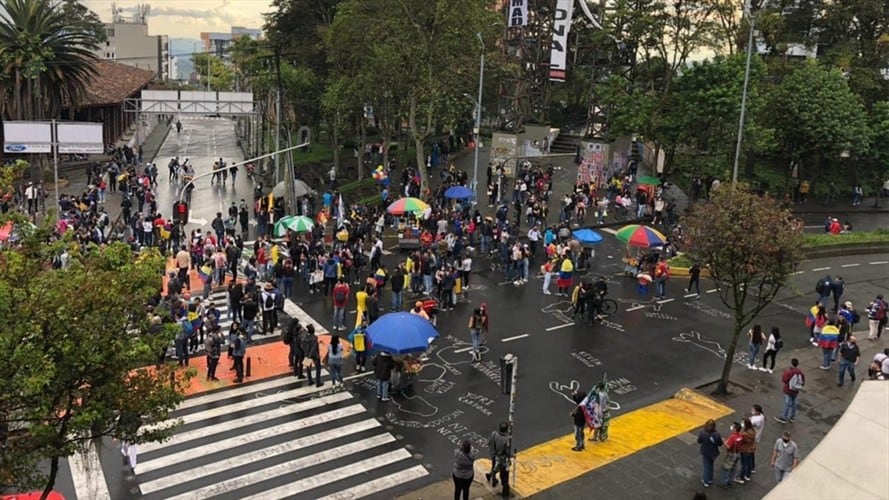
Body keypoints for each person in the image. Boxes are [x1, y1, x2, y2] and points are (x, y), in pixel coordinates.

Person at [775, 358, 805, 424]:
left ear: (791, 364)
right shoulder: (800, 372)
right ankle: (792, 417)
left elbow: (784, 380)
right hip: (796, 390)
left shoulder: (789, 372)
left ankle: (783, 417)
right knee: (794, 403)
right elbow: (803, 381)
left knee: (787, 403)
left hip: (788, 389)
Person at [486, 422, 511, 497]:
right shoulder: (506, 440)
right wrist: (512, 456)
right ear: (506, 430)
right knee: (501, 470)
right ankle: (492, 477)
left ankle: (492, 477)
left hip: (493, 454)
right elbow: (507, 452)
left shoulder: (494, 434)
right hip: (501, 458)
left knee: (494, 465)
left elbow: (488, 442)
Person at [697, 419, 723, 488]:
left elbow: (699, 441)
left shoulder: (702, 433)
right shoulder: (717, 434)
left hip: (705, 452)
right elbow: (720, 443)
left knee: (706, 467)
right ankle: (710, 479)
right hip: (714, 452)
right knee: (711, 465)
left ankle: (705, 481)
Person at [719, 422, 743, 488]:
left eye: (733, 426)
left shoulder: (732, 437)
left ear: (735, 429)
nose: (732, 427)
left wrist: (724, 442)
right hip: (737, 453)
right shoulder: (740, 436)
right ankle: (730, 480)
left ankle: (724, 482)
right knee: (733, 468)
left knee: (725, 468)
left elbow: (728, 446)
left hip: (731, 454)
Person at [738, 418, 756, 483]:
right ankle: (747, 475)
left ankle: (741, 477)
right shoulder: (753, 431)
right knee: (749, 463)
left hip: (745, 449)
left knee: (744, 464)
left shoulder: (744, 434)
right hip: (751, 449)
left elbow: (741, 441)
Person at [749, 404, 765, 474]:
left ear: (757, 411)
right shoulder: (761, 416)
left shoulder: (757, 420)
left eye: (753, 410)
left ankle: (751, 467)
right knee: (751, 452)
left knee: (751, 452)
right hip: (756, 436)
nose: (752, 411)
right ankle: (751, 466)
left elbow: (750, 424)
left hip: (753, 437)